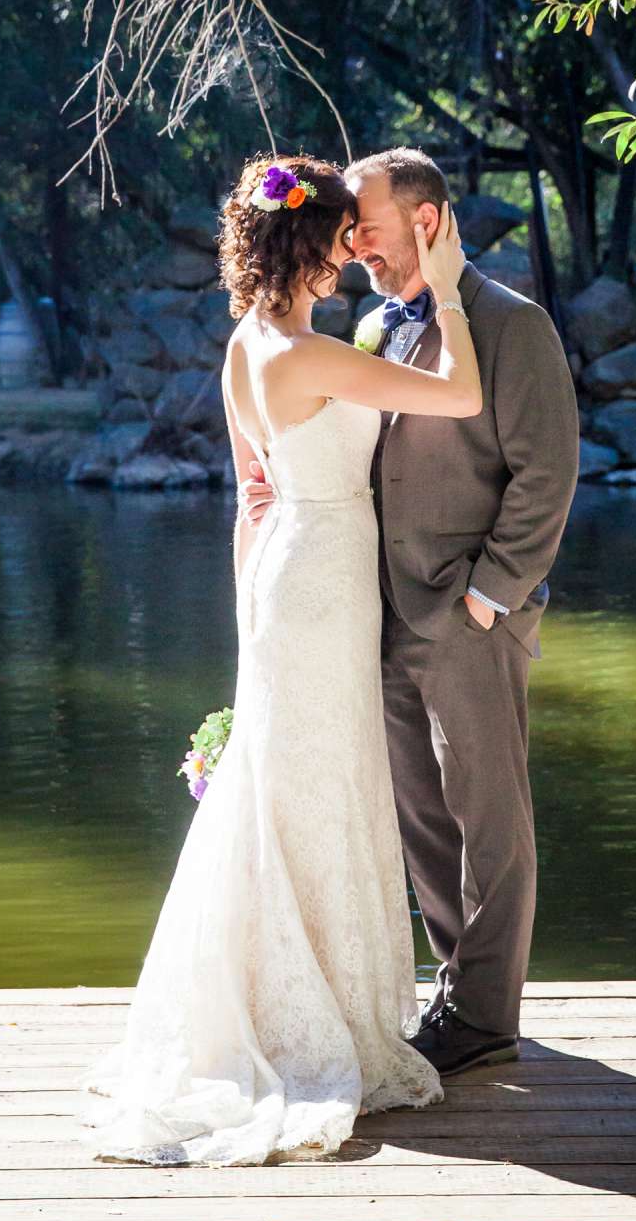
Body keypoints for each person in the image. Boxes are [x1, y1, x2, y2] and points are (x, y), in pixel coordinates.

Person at [87, 153, 487, 1165]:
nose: (359, 245)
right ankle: (317, 1016)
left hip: (283, 581)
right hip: (328, 580)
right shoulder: (314, 360)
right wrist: (445, 294)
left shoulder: (244, 347)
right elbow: (460, 396)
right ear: (315, 246)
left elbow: (249, 504)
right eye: (346, 230)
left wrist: (245, 636)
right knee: (323, 788)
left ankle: (285, 1004)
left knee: (290, 787)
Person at [283, 147, 580, 1076]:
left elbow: (547, 473)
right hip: (382, 616)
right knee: (425, 820)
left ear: (425, 220)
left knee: (490, 818)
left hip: (466, 615)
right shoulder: (374, 324)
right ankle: (459, 995)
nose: (354, 242)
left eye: (365, 225)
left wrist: (491, 598)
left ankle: (488, 1017)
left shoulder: (510, 324)